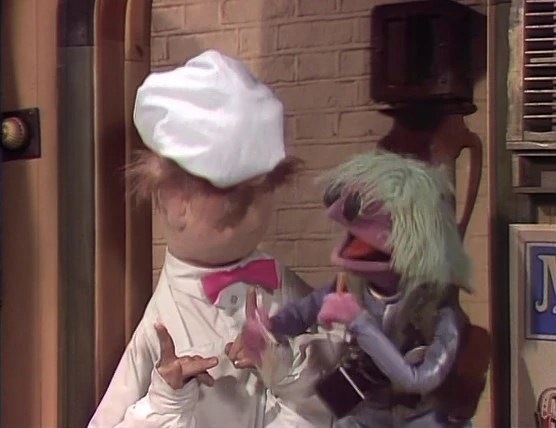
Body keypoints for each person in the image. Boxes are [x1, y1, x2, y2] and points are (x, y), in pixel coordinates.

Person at [88, 50, 343, 428]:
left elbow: (338, 373)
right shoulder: (162, 323)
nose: (253, 209)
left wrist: (287, 370)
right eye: (232, 194)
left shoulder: (278, 281)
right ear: (169, 198)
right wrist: (167, 398)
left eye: (263, 188)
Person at [242, 151, 490, 428]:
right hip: (367, 411)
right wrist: (266, 331)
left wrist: (359, 322)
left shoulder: (439, 311)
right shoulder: (351, 286)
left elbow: (416, 380)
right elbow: (300, 314)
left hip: (422, 417)